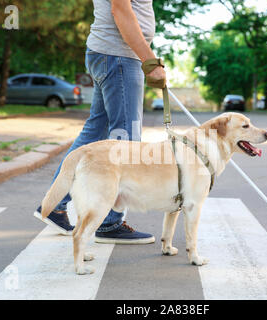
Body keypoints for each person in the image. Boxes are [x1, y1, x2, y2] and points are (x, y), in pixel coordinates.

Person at [34, 0, 165, 244]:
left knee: (95, 134)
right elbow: (121, 10)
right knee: (125, 141)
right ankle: (109, 223)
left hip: (113, 56)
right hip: (118, 57)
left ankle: (54, 204)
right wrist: (150, 61)